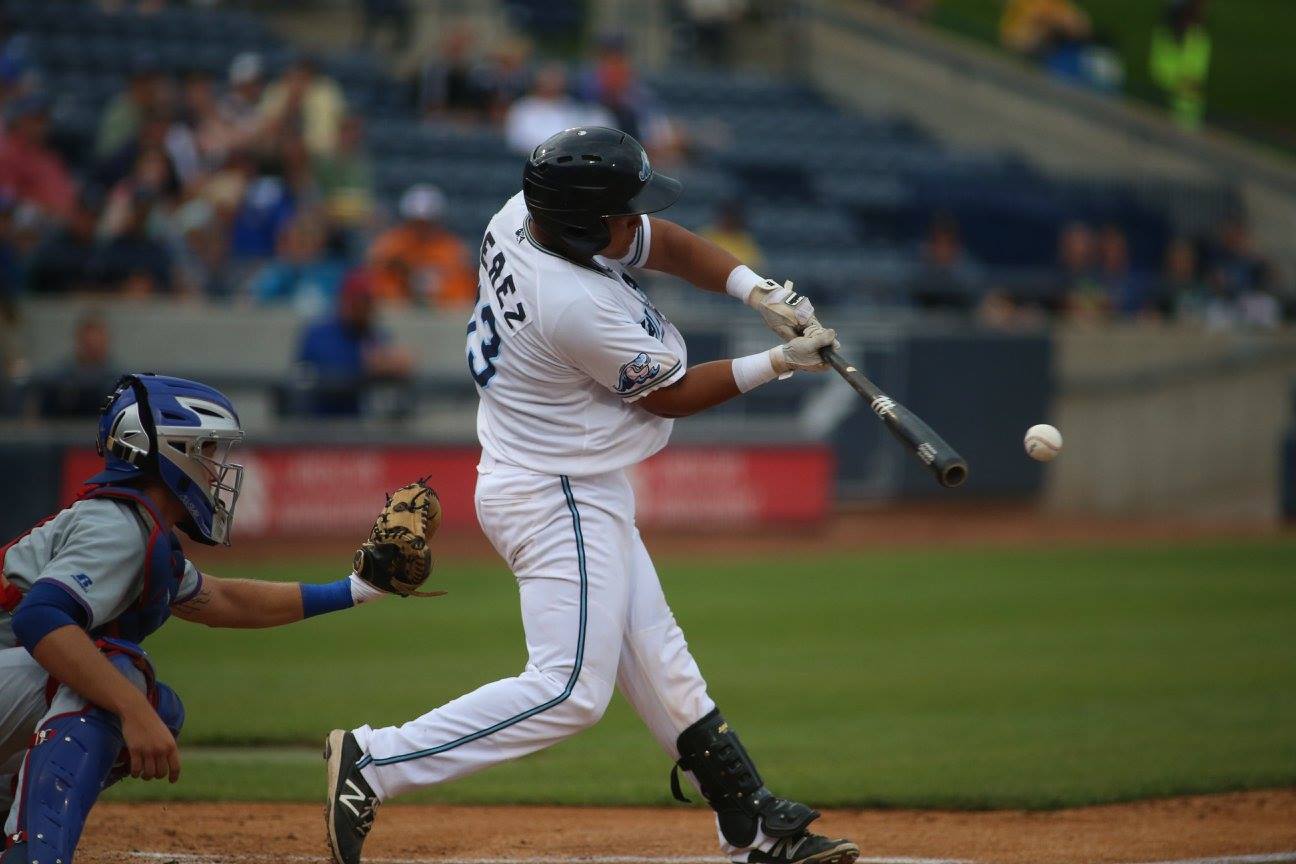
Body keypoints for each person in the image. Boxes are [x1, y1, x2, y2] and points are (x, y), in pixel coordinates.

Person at [324, 127, 856, 864]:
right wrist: (780, 361)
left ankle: (752, 828)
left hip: (565, 476)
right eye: (621, 213)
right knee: (570, 689)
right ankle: (377, 761)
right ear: (579, 222)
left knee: (659, 656)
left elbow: (662, 244)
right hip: (554, 492)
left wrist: (752, 288)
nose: (635, 223)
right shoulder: (570, 301)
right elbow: (666, 397)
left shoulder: (524, 214)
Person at [0, 373, 393, 864]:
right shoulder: (117, 528)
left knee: (154, 704)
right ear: (170, 450)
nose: (217, 467)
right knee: (120, 683)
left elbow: (224, 600)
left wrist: (356, 590)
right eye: (207, 449)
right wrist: (132, 710)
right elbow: (41, 619)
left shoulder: (138, 528)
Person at [294, 269, 413, 416]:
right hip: (320, 421)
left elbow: (391, 366)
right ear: (344, 301)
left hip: (361, 424)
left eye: (368, 303)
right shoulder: (318, 334)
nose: (364, 309)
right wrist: (362, 364)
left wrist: (397, 368)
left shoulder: (376, 335)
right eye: (358, 302)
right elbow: (321, 371)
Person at [367, 184, 475, 308]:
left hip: (443, 319)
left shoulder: (454, 251)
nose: (422, 230)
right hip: (395, 315)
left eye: (427, 223)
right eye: (416, 223)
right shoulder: (390, 246)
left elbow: (463, 296)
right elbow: (373, 283)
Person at [503, 64, 614, 155]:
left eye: (556, 76)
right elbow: (518, 141)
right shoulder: (523, 107)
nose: (552, 80)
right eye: (548, 76)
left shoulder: (572, 107)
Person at [37, 311, 119, 418]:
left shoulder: (119, 381)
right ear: (79, 341)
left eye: (97, 341)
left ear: (106, 340)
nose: (93, 347)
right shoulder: (57, 380)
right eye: (88, 343)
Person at [1150, 0, 1210, 130]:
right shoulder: (1164, 36)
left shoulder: (1199, 38)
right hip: (1162, 108)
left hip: (1188, 112)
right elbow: (1159, 72)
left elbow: (1197, 74)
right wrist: (1182, 83)